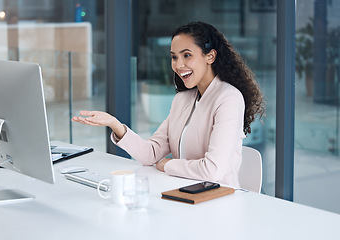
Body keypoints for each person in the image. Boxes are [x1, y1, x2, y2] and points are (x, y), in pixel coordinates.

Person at [72, 22, 265, 188]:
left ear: (210, 56)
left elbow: (212, 171)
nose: (178, 64)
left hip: (217, 201)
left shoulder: (228, 98)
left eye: (187, 55)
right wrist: (115, 124)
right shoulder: (182, 100)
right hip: (181, 191)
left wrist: (168, 165)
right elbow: (151, 154)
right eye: (174, 57)